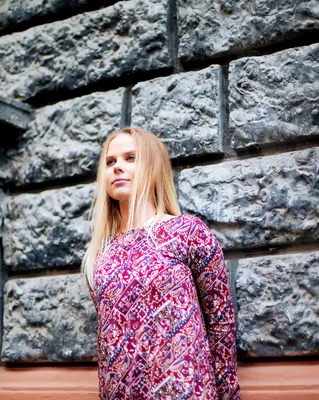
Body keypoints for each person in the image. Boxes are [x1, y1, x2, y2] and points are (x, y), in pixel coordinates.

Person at [83, 127, 240, 399]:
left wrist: (228, 395)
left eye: (130, 158)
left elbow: (220, 324)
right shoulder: (101, 253)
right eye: (110, 162)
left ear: (153, 167)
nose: (117, 167)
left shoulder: (187, 233)